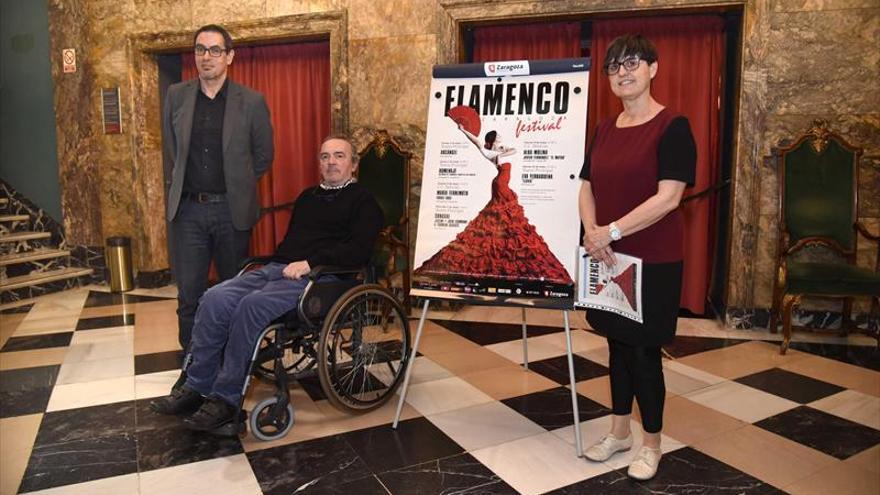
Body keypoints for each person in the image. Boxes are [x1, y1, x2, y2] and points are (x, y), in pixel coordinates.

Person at [150, 135, 383, 434]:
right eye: (325, 157)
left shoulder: (364, 201)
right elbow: (291, 246)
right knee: (215, 297)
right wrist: (275, 266)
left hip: (324, 278)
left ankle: (226, 402)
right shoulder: (308, 197)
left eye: (339, 156)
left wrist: (311, 263)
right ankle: (196, 386)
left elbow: (359, 251)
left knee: (252, 306)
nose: (331, 162)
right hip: (281, 268)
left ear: (353, 163)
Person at [578, 34, 696, 480]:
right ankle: (618, 432)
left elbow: (669, 198)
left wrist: (610, 230)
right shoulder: (604, 129)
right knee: (615, 346)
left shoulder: (673, 127)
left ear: (653, 68)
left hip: (653, 259)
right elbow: (586, 185)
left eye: (632, 64)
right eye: (614, 67)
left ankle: (651, 444)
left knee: (644, 352)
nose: (623, 73)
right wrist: (593, 232)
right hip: (606, 257)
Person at [163, 24, 274, 355]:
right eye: (200, 49)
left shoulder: (251, 101)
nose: (205, 57)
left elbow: (264, 155)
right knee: (189, 294)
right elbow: (171, 150)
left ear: (229, 57)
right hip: (189, 212)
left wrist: (237, 185)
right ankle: (193, 362)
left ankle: (232, 356)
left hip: (231, 211)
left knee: (233, 291)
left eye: (214, 50)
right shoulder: (176, 95)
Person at [415, 118, 572, 285]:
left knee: (503, 221)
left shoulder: (498, 152)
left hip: (502, 185)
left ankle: (501, 249)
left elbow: (514, 150)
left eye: (500, 139)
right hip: (500, 186)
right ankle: (499, 252)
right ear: (493, 141)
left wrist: (503, 150)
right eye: (498, 139)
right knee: (506, 219)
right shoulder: (490, 153)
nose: (500, 140)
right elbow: (476, 141)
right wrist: (463, 130)